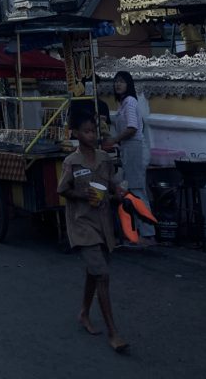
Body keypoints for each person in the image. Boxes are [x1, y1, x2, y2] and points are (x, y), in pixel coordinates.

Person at [58, 114, 128, 354]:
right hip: (81, 222)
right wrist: (82, 195)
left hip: (103, 221)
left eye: (93, 131)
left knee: (94, 271)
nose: (92, 135)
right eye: (86, 131)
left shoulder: (104, 158)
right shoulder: (72, 161)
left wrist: (119, 192)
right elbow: (62, 189)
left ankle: (84, 313)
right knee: (102, 275)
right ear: (76, 134)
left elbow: (111, 184)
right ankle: (113, 332)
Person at [103, 70, 155, 245]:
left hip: (134, 148)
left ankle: (147, 234)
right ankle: (139, 233)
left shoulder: (131, 102)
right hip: (128, 149)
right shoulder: (123, 104)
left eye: (122, 82)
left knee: (137, 191)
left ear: (129, 85)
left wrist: (113, 140)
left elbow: (132, 128)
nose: (118, 84)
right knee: (132, 191)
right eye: (116, 81)